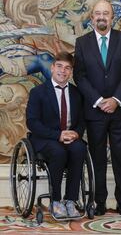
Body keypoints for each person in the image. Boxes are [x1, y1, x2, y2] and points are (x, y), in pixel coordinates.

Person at [74, 0, 121, 216]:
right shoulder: (82, 43)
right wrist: (99, 100)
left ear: (112, 17)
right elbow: (79, 76)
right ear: (92, 17)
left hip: (120, 109)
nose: (102, 17)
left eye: (106, 13)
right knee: (97, 158)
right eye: (98, 13)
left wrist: (115, 99)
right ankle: (98, 202)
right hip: (94, 111)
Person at [26, 51, 86, 219]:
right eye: (59, 66)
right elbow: (32, 122)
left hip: (69, 137)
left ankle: (71, 200)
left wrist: (76, 133)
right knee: (58, 151)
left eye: (67, 68)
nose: (63, 71)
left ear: (71, 71)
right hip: (45, 138)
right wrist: (58, 135)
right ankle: (56, 201)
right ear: (52, 68)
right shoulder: (38, 92)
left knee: (79, 149)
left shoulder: (76, 93)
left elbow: (82, 120)